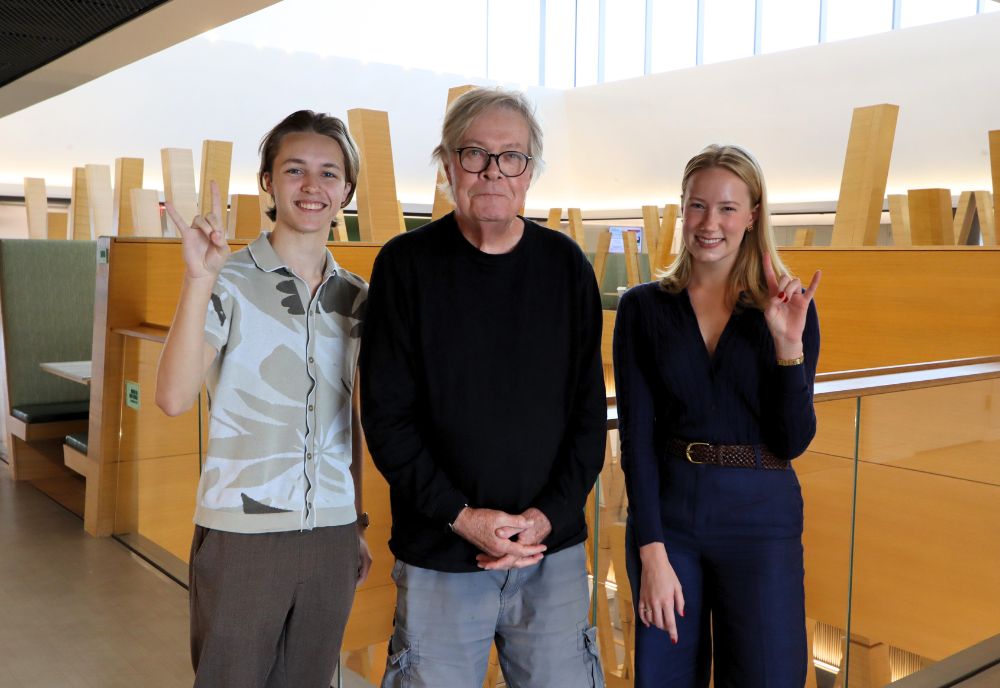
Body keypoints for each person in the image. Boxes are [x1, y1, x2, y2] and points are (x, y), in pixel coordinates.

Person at [359, 87, 607, 688]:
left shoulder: (567, 267)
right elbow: (388, 420)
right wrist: (463, 518)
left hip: (552, 553)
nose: (493, 171)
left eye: (511, 156)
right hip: (440, 553)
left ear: (530, 172)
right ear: (448, 166)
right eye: (475, 154)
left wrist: (545, 518)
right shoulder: (404, 265)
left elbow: (587, 415)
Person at [155, 110, 372, 688]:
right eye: (294, 169)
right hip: (242, 529)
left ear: (346, 190)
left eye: (329, 173)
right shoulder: (226, 279)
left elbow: (348, 419)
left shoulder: (358, 298)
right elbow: (174, 397)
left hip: (330, 531)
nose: (312, 186)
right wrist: (198, 280)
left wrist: (356, 524)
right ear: (268, 182)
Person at [613, 144, 821, 687]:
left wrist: (788, 345)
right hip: (671, 518)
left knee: (766, 676)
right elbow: (635, 439)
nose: (710, 223)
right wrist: (651, 553)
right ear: (682, 210)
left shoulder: (788, 305)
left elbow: (793, 439)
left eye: (728, 208)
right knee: (664, 676)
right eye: (698, 206)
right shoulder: (643, 307)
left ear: (753, 215)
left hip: (762, 517)